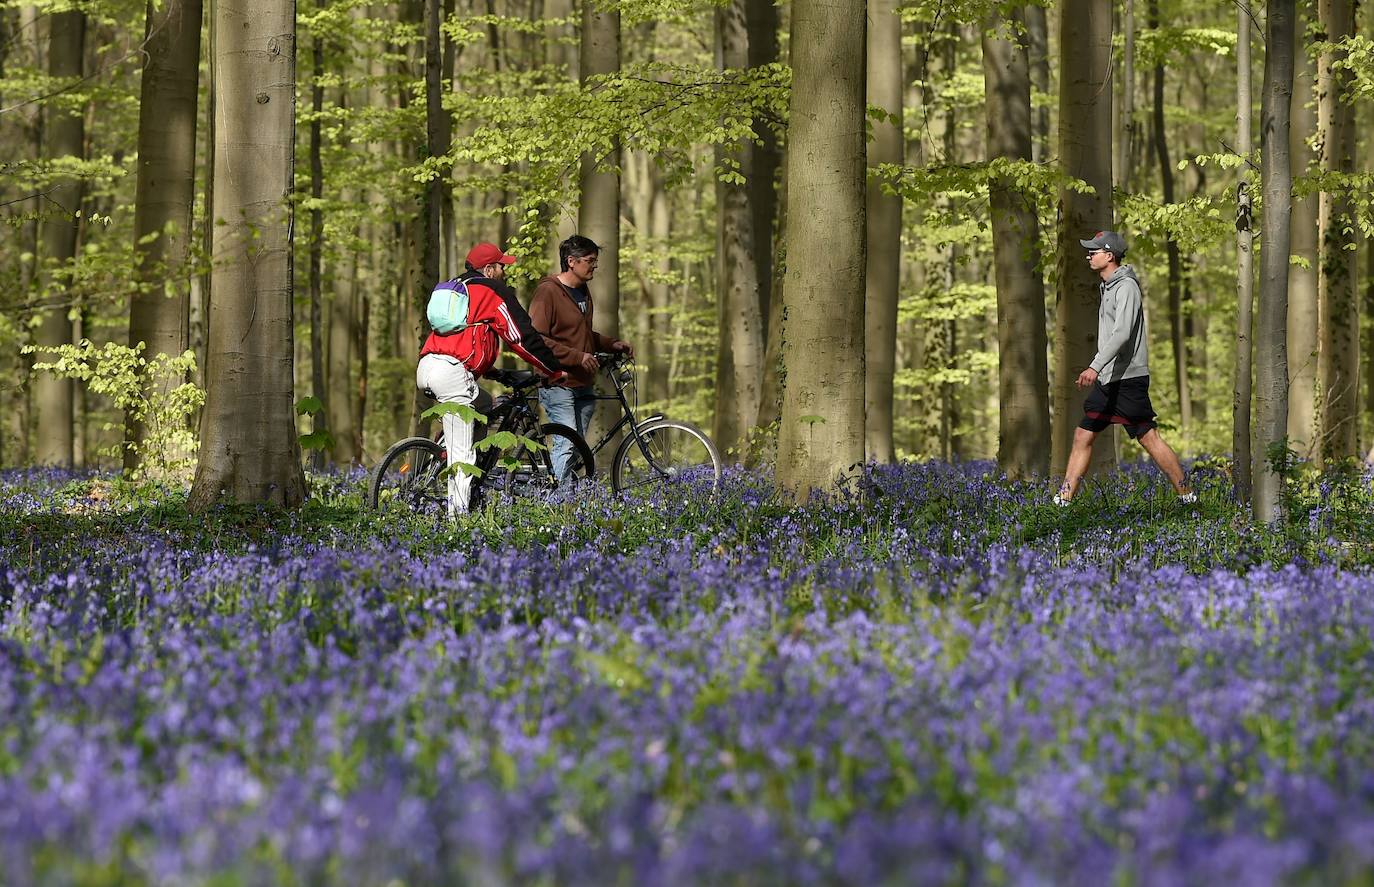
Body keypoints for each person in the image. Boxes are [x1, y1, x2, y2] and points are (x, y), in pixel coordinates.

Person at [416, 242, 565, 517]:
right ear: (489, 269)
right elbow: (521, 336)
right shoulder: (491, 290)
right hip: (452, 374)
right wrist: (552, 368)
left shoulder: (454, 288)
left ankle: (444, 450)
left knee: (486, 405)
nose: (504, 272)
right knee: (464, 456)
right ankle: (458, 522)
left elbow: (464, 340)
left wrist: (494, 372)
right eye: (501, 267)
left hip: (428, 366)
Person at [1055, 230, 1196, 506]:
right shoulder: (1108, 286)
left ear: (1109, 256)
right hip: (1110, 379)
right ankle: (1063, 501)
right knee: (1083, 434)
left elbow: (1121, 334)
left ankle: (1187, 496)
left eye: (1094, 252)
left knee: (1148, 437)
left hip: (1127, 379)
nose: (1089, 256)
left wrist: (1094, 367)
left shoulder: (1126, 287)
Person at [527, 234, 633, 480]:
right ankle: (552, 506)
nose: (594, 265)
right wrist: (577, 357)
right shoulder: (548, 292)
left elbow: (581, 335)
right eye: (589, 260)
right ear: (571, 261)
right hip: (558, 382)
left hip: (583, 383)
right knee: (566, 445)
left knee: (576, 448)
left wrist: (611, 344)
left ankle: (564, 498)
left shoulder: (583, 291)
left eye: (595, 260)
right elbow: (537, 339)